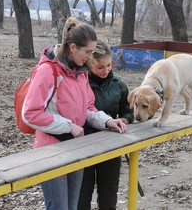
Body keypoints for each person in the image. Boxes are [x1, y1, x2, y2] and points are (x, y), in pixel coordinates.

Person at [22, 17, 127, 210]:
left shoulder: (81, 73)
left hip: (76, 147)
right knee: (59, 207)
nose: (90, 57)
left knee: (74, 207)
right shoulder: (48, 71)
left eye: (92, 52)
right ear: (72, 47)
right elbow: (30, 113)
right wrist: (68, 126)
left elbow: (88, 108)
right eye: (87, 52)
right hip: (52, 151)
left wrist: (108, 121)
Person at [78, 42, 134, 210]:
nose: (106, 70)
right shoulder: (81, 82)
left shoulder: (119, 85)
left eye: (109, 65)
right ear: (89, 64)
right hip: (83, 146)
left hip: (111, 148)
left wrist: (125, 120)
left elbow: (128, 111)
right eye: (100, 67)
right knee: (81, 196)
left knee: (109, 197)